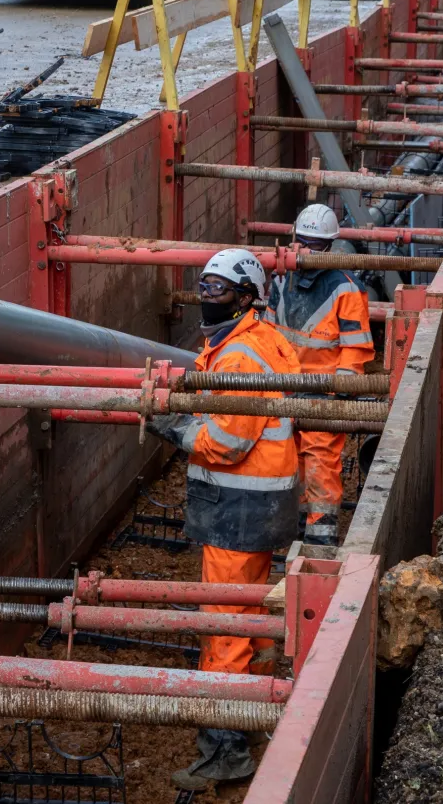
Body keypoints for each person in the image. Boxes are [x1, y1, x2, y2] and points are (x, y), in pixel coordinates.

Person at [150, 248, 300, 789]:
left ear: (245, 297)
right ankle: (252, 714)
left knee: (224, 629)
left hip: (238, 507)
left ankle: (225, 750)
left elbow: (227, 442)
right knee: (250, 618)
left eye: (218, 289)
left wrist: (168, 426)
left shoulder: (238, 357)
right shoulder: (256, 339)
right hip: (262, 503)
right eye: (204, 285)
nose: (207, 296)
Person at [265, 203, 375, 546]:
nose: (307, 250)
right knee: (284, 457)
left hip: (323, 392)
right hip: (284, 387)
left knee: (320, 462)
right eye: (303, 241)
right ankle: (295, 529)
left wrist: (341, 388)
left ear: (330, 246)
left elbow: (355, 347)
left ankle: (319, 541)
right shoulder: (281, 278)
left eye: (315, 244)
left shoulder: (346, 288)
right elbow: (268, 332)